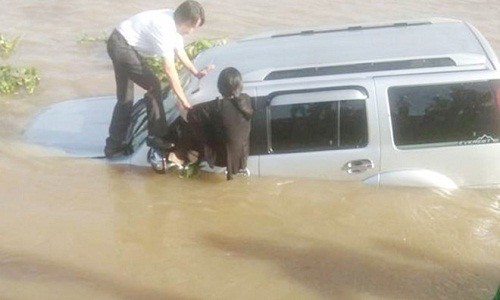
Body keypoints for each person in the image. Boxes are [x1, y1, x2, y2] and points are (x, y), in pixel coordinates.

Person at [105, 0, 213, 158]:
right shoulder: (165, 29)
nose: (191, 32)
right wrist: (183, 99)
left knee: (125, 99)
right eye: (193, 28)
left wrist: (195, 72)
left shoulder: (174, 22)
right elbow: (169, 70)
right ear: (186, 22)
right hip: (122, 47)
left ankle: (113, 146)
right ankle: (156, 136)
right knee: (153, 86)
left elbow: (180, 51)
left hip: (121, 43)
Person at [165, 67, 254, 180]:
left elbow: (187, 116)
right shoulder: (247, 101)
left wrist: (179, 104)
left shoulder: (215, 107)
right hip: (241, 157)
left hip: (222, 159)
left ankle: (183, 156)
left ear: (219, 87)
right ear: (240, 85)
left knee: (192, 125)